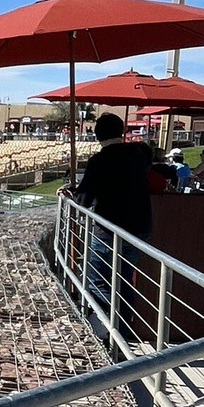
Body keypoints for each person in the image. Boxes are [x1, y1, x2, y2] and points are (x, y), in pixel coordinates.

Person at [60, 113, 151, 331]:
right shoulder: (140, 154)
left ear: (98, 134)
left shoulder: (99, 161)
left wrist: (69, 193)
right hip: (140, 228)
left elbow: (83, 200)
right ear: (121, 131)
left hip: (109, 231)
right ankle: (122, 331)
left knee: (96, 279)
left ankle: (109, 327)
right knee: (124, 280)